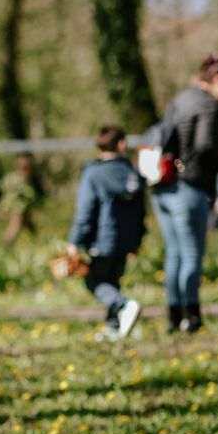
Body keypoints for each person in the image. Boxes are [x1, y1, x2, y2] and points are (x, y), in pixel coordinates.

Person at [153, 51, 218, 333]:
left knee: (174, 253)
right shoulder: (210, 106)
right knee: (192, 254)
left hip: (163, 188)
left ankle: (173, 316)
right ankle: (191, 316)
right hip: (190, 188)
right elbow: (206, 147)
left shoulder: (179, 99)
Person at [66, 126, 145, 342]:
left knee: (94, 281)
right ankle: (114, 327)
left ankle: (124, 306)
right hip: (126, 238)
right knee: (113, 279)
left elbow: (86, 210)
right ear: (121, 144)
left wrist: (75, 240)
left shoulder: (94, 173)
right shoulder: (132, 173)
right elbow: (141, 209)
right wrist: (138, 238)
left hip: (102, 239)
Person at [0, 153, 42, 245]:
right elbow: (8, 195)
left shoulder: (28, 179)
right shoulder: (13, 179)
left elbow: (31, 196)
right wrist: (4, 207)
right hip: (18, 209)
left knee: (30, 227)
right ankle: (6, 245)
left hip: (26, 209)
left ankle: (38, 243)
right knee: (14, 227)